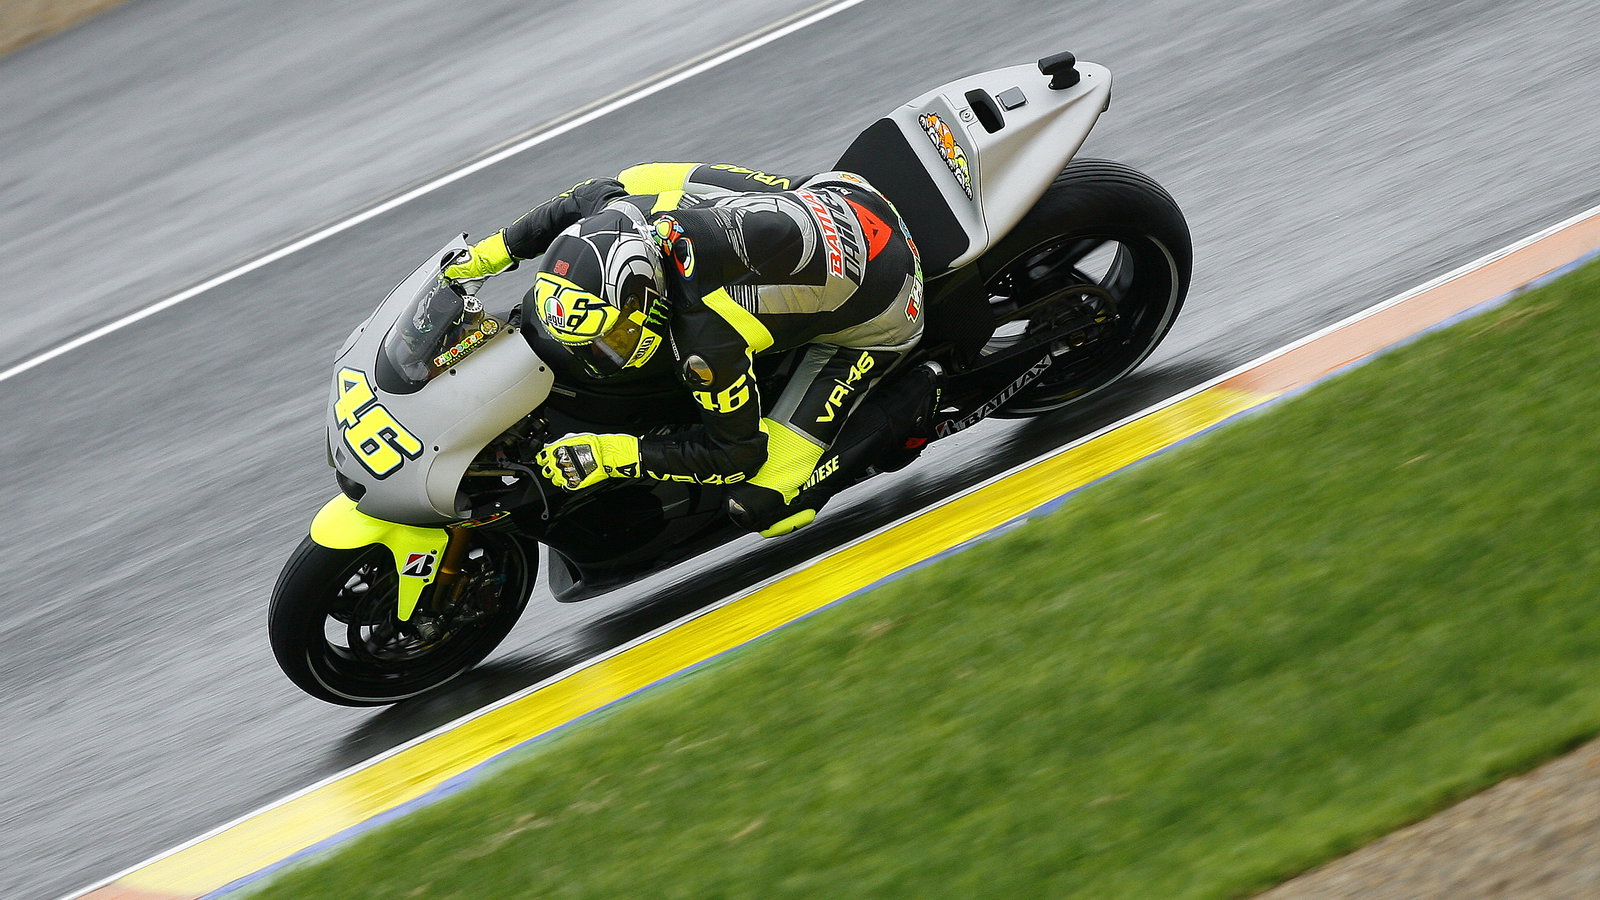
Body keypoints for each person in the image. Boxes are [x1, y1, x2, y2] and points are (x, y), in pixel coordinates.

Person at [442, 162, 936, 537]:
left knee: (765, 503)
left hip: (888, 301)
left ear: (648, 302)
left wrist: (612, 454)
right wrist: (489, 254)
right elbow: (578, 200)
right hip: (839, 194)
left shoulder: (707, 341)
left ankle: (920, 394)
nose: (598, 357)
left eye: (612, 340)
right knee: (637, 178)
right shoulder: (618, 218)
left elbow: (736, 454)